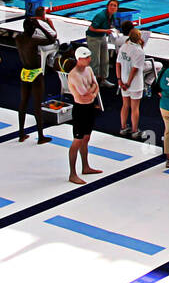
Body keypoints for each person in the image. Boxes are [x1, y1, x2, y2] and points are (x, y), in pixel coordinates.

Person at [14, 15, 56, 143]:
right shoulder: (34, 40)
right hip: (36, 73)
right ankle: (41, 136)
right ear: (33, 29)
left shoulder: (19, 38)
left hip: (25, 72)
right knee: (37, 105)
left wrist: (35, 26)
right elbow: (51, 39)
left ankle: (21, 134)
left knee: (23, 102)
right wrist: (40, 27)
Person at [66, 46, 103, 185]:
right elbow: (83, 93)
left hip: (89, 107)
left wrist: (92, 92)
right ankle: (72, 173)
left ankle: (85, 167)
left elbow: (95, 85)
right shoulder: (73, 75)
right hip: (80, 109)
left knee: (86, 138)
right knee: (77, 141)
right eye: (87, 57)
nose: (89, 59)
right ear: (79, 59)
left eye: (89, 57)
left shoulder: (89, 70)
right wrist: (93, 91)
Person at [115, 27, 147, 139]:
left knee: (125, 105)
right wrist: (128, 83)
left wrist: (120, 80)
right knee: (135, 108)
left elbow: (117, 64)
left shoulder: (124, 47)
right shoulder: (139, 51)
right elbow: (135, 69)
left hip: (123, 80)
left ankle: (123, 127)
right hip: (134, 83)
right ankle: (134, 131)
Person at [85, 0, 118, 86]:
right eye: (111, 5)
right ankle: (93, 81)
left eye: (114, 6)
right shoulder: (101, 16)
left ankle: (103, 79)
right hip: (93, 37)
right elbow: (91, 28)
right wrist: (105, 30)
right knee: (95, 60)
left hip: (102, 36)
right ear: (107, 6)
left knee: (105, 59)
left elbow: (110, 26)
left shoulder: (112, 16)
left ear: (117, 8)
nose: (112, 7)